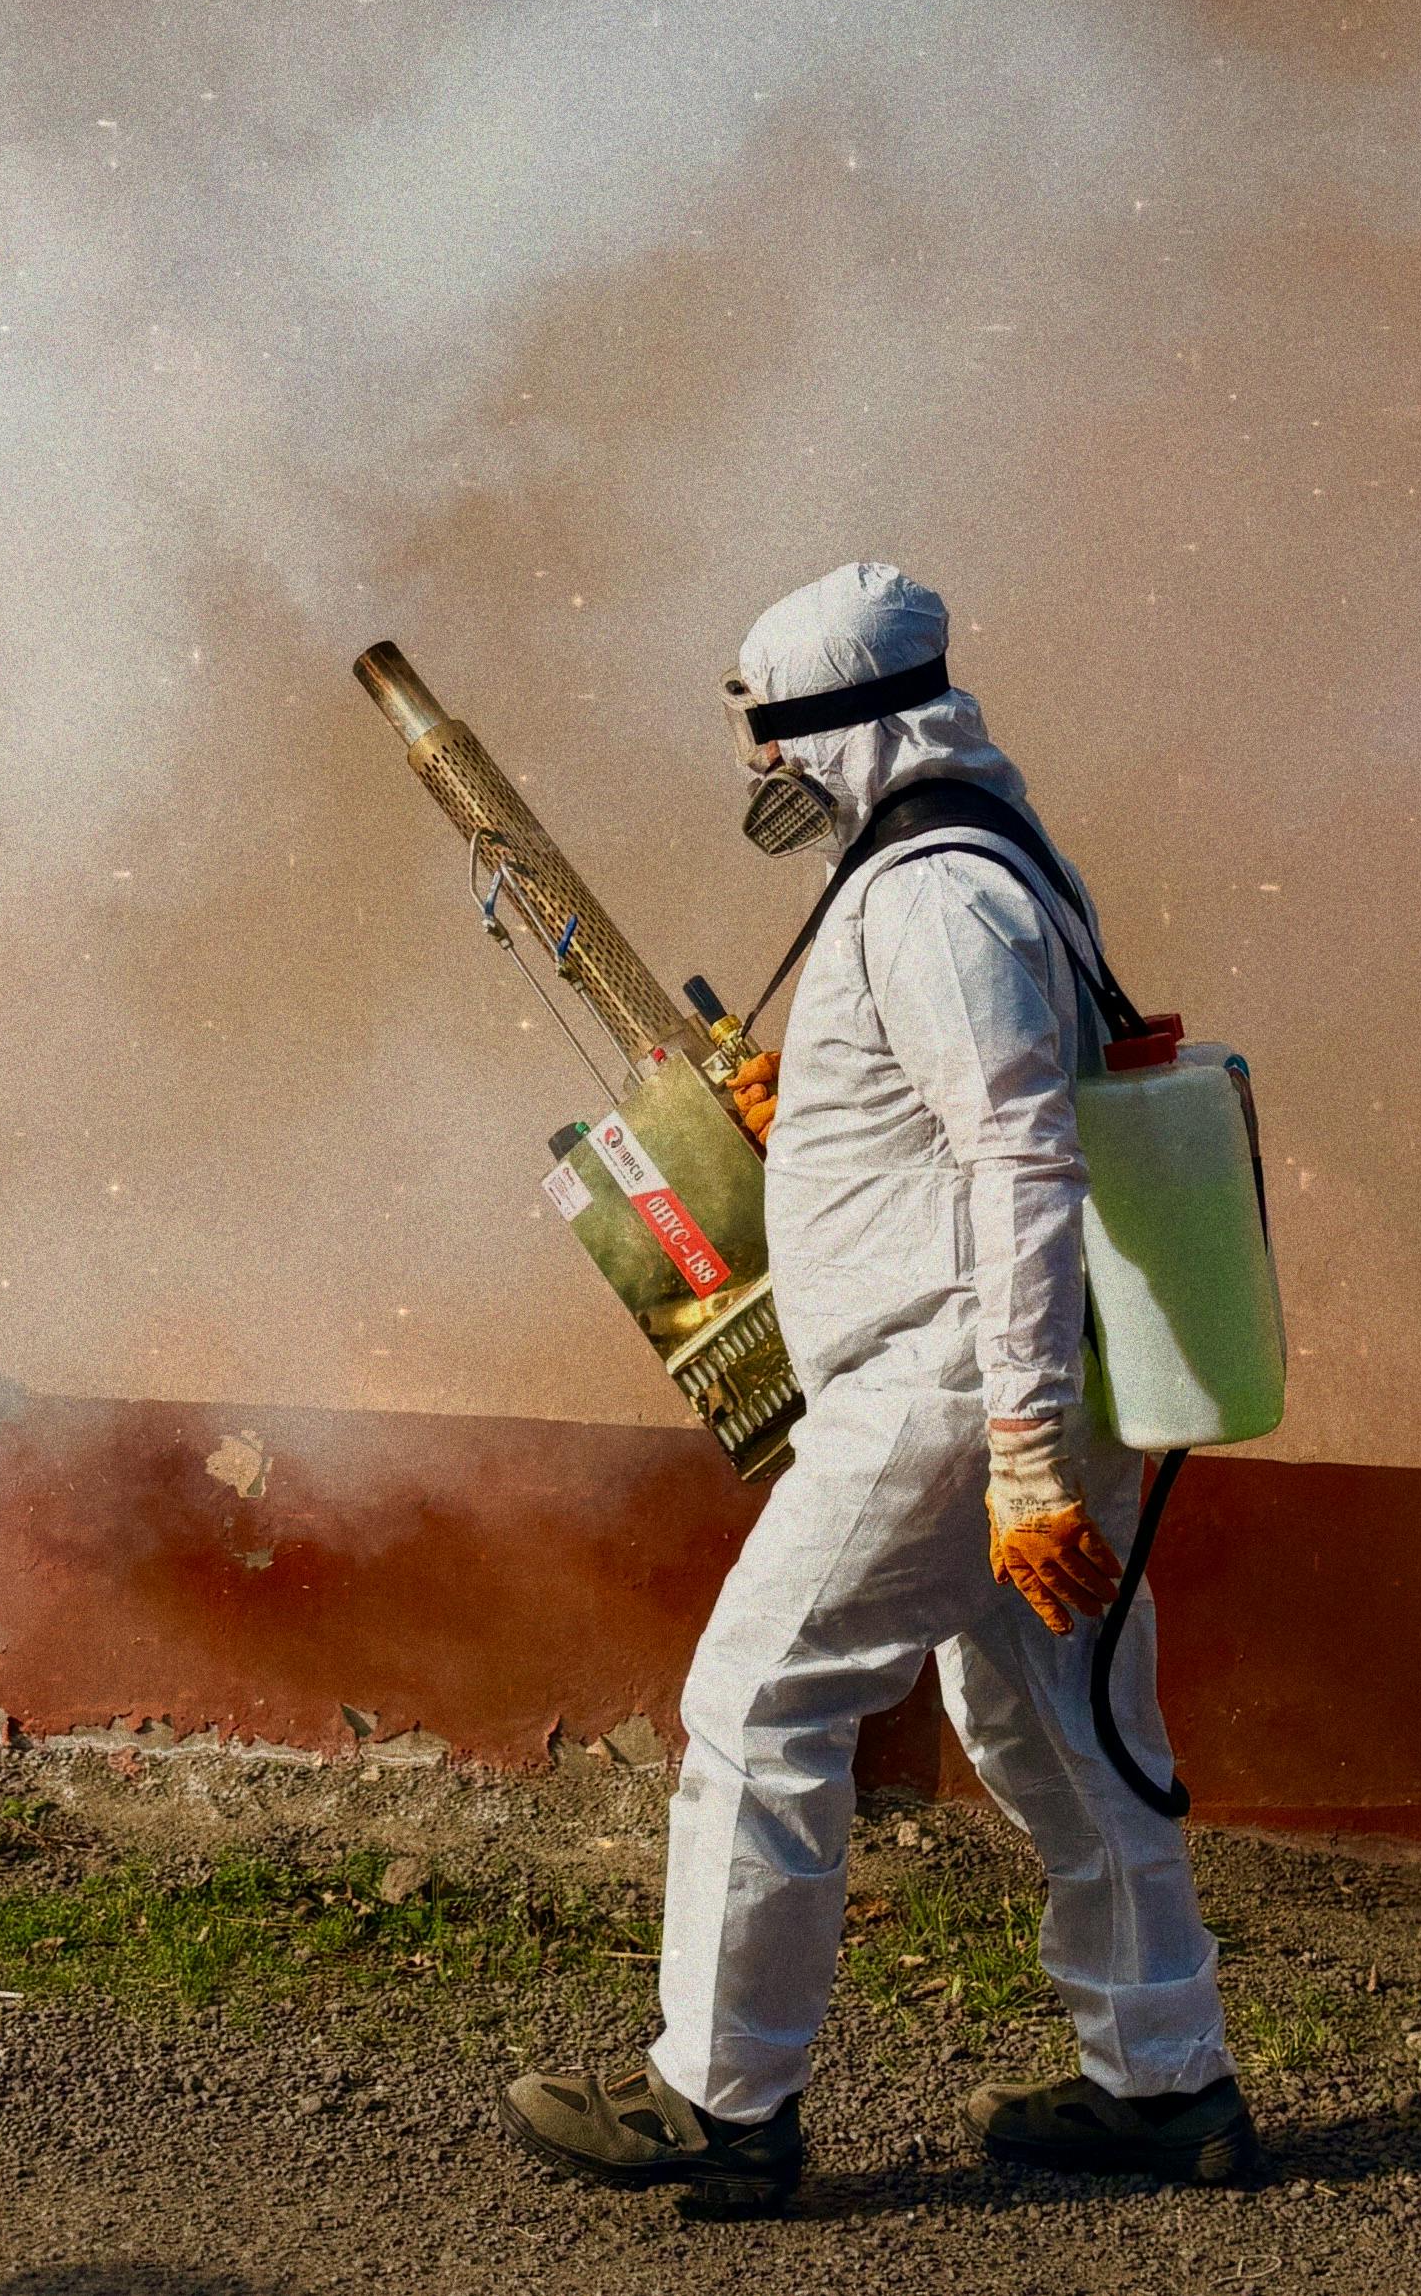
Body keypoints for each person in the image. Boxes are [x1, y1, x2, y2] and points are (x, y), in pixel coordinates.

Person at [503, 561, 1251, 2216]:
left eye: (776, 745)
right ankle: (1166, 2083)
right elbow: (955, 1116)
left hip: (950, 1380)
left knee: (761, 1696)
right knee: (1061, 1735)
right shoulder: (965, 863)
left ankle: (721, 2097)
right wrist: (819, 1099)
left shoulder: (930, 895)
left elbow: (1019, 1154)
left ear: (850, 729)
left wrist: (1027, 1460)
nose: (765, 776)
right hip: (1008, 1374)